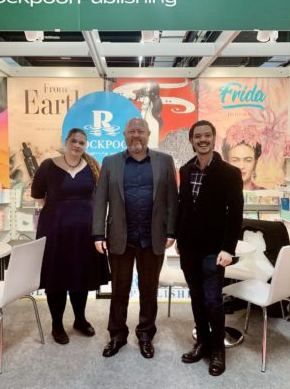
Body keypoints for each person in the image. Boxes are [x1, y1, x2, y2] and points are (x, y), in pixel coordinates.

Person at [92, 117, 178, 359]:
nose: (136, 135)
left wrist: (171, 231)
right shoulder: (110, 162)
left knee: (149, 290)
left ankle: (145, 335)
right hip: (120, 237)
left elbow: (172, 199)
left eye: (140, 131)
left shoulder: (164, 161)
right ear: (124, 135)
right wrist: (98, 233)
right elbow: (100, 200)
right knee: (119, 290)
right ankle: (117, 335)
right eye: (131, 132)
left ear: (148, 134)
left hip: (153, 237)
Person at [177, 120, 243, 376]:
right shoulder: (185, 169)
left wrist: (228, 248)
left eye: (207, 135)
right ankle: (202, 342)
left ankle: (218, 349)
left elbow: (235, 214)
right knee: (196, 298)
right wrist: (180, 239)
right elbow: (184, 207)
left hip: (215, 250)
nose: (202, 140)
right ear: (191, 140)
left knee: (213, 301)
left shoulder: (230, 172)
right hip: (189, 248)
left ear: (214, 139)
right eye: (197, 136)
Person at [31, 128, 109, 345]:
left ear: (85, 145)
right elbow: (38, 195)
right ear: (66, 141)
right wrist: (59, 213)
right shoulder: (48, 166)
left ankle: (80, 320)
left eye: (82, 142)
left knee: (80, 276)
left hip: (84, 234)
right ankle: (57, 324)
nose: (77, 145)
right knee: (56, 279)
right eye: (74, 141)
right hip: (55, 232)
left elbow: (99, 197)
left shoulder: (92, 167)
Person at [221, 124, 264, 190]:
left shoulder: (264, 193)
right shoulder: (218, 192)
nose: (241, 166)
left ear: (255, 163)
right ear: (226, 162)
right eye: (235, 160)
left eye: (248, 160)